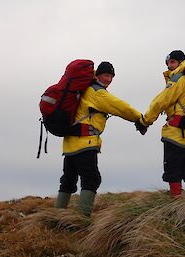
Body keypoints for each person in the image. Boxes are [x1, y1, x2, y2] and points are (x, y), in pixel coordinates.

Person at [55, 61, 142, 217]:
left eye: (111, 76)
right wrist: (140, 119)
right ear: (97, 75)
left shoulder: (84, 90)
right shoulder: (97, 92)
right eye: (106, 75)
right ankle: (82, 219)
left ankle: (57, 215)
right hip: (85, 143)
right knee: (92, 179)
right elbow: (121, 107)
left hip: (69, 145)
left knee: (68, 180)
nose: (109, 79)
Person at [136, 50, 185, 197]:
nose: (169, 66)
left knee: (173, 170)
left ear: (180, 62)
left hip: (176, 135)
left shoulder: (178, 79)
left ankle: (176, 203)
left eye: (172, 62)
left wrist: (145, 121)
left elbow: (161, 101)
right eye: (168, 63)